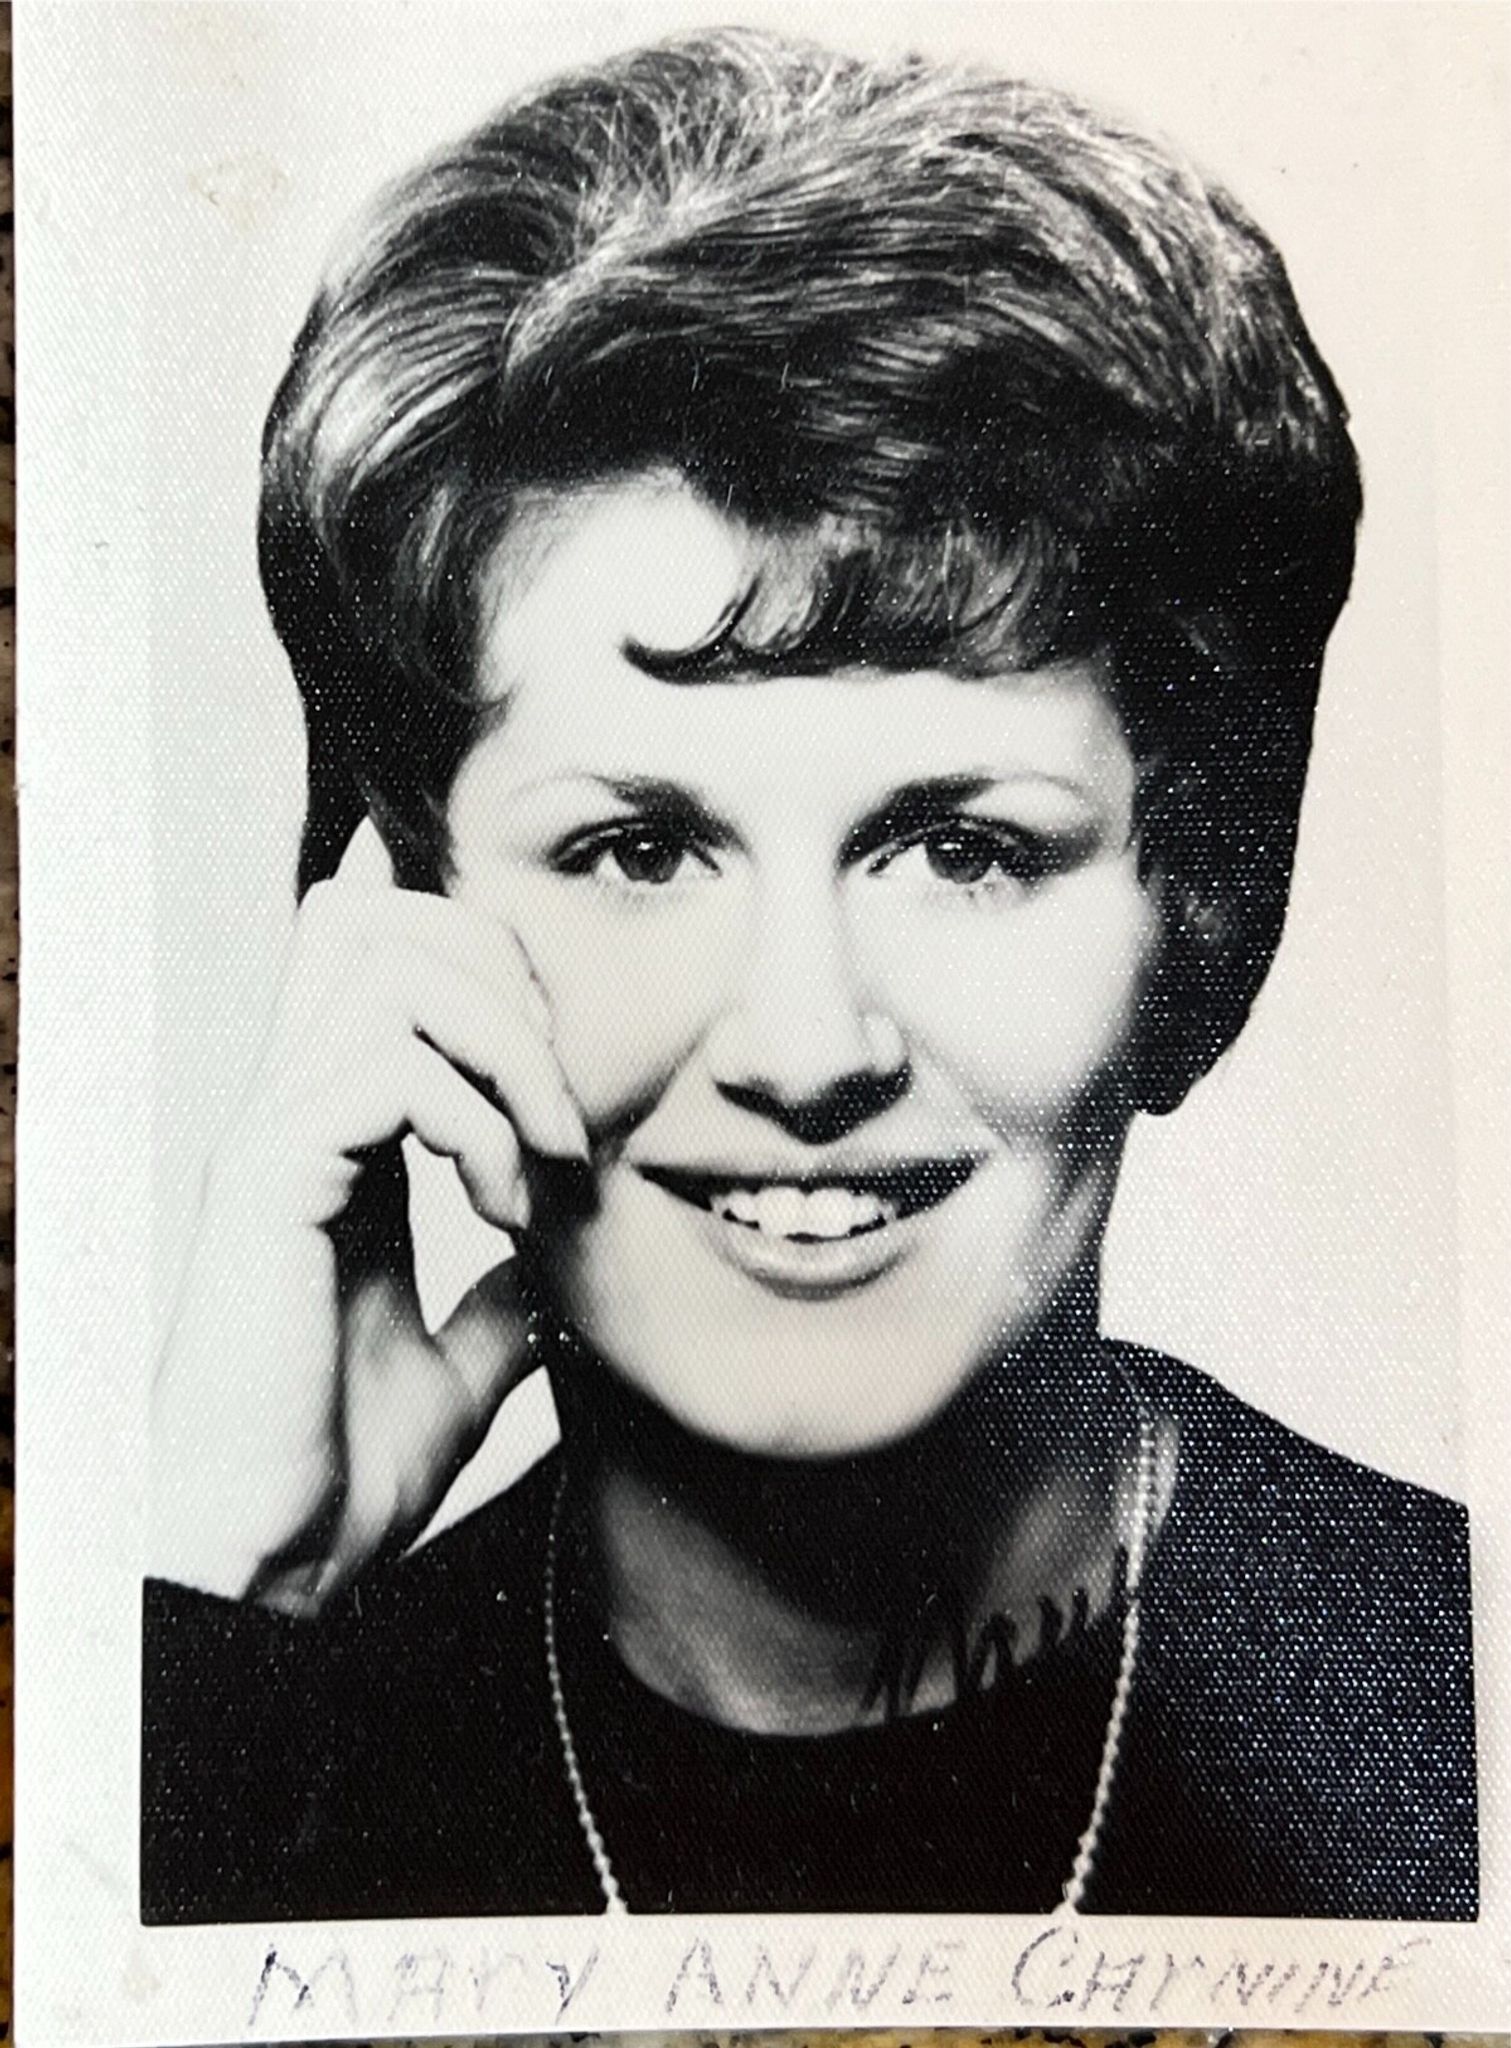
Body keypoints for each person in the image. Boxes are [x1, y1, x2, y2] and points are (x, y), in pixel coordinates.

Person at [141, 27, 1476, 1923]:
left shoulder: (1453, 1695)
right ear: (396, 905)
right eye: (638, 850)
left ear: (1201, 909)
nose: (803, 1046)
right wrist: (228, 1615)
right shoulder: (238, 1741)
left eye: (965, 850)